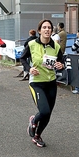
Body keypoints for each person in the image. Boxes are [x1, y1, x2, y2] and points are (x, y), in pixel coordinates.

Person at [20, 19, 65, 148]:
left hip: (51, 82)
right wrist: (29, 69)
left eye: (49, 28)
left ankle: (37, 135)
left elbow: (62, 63)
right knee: (44, 111)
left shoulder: (55, 46)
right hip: (37, 83)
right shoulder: (32, 44)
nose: (47, 30)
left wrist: (60, 65)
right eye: (44, 27)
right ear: (39, 30)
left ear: (52, 31)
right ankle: (33, 120)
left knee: (48, 113)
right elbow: (22, 58)